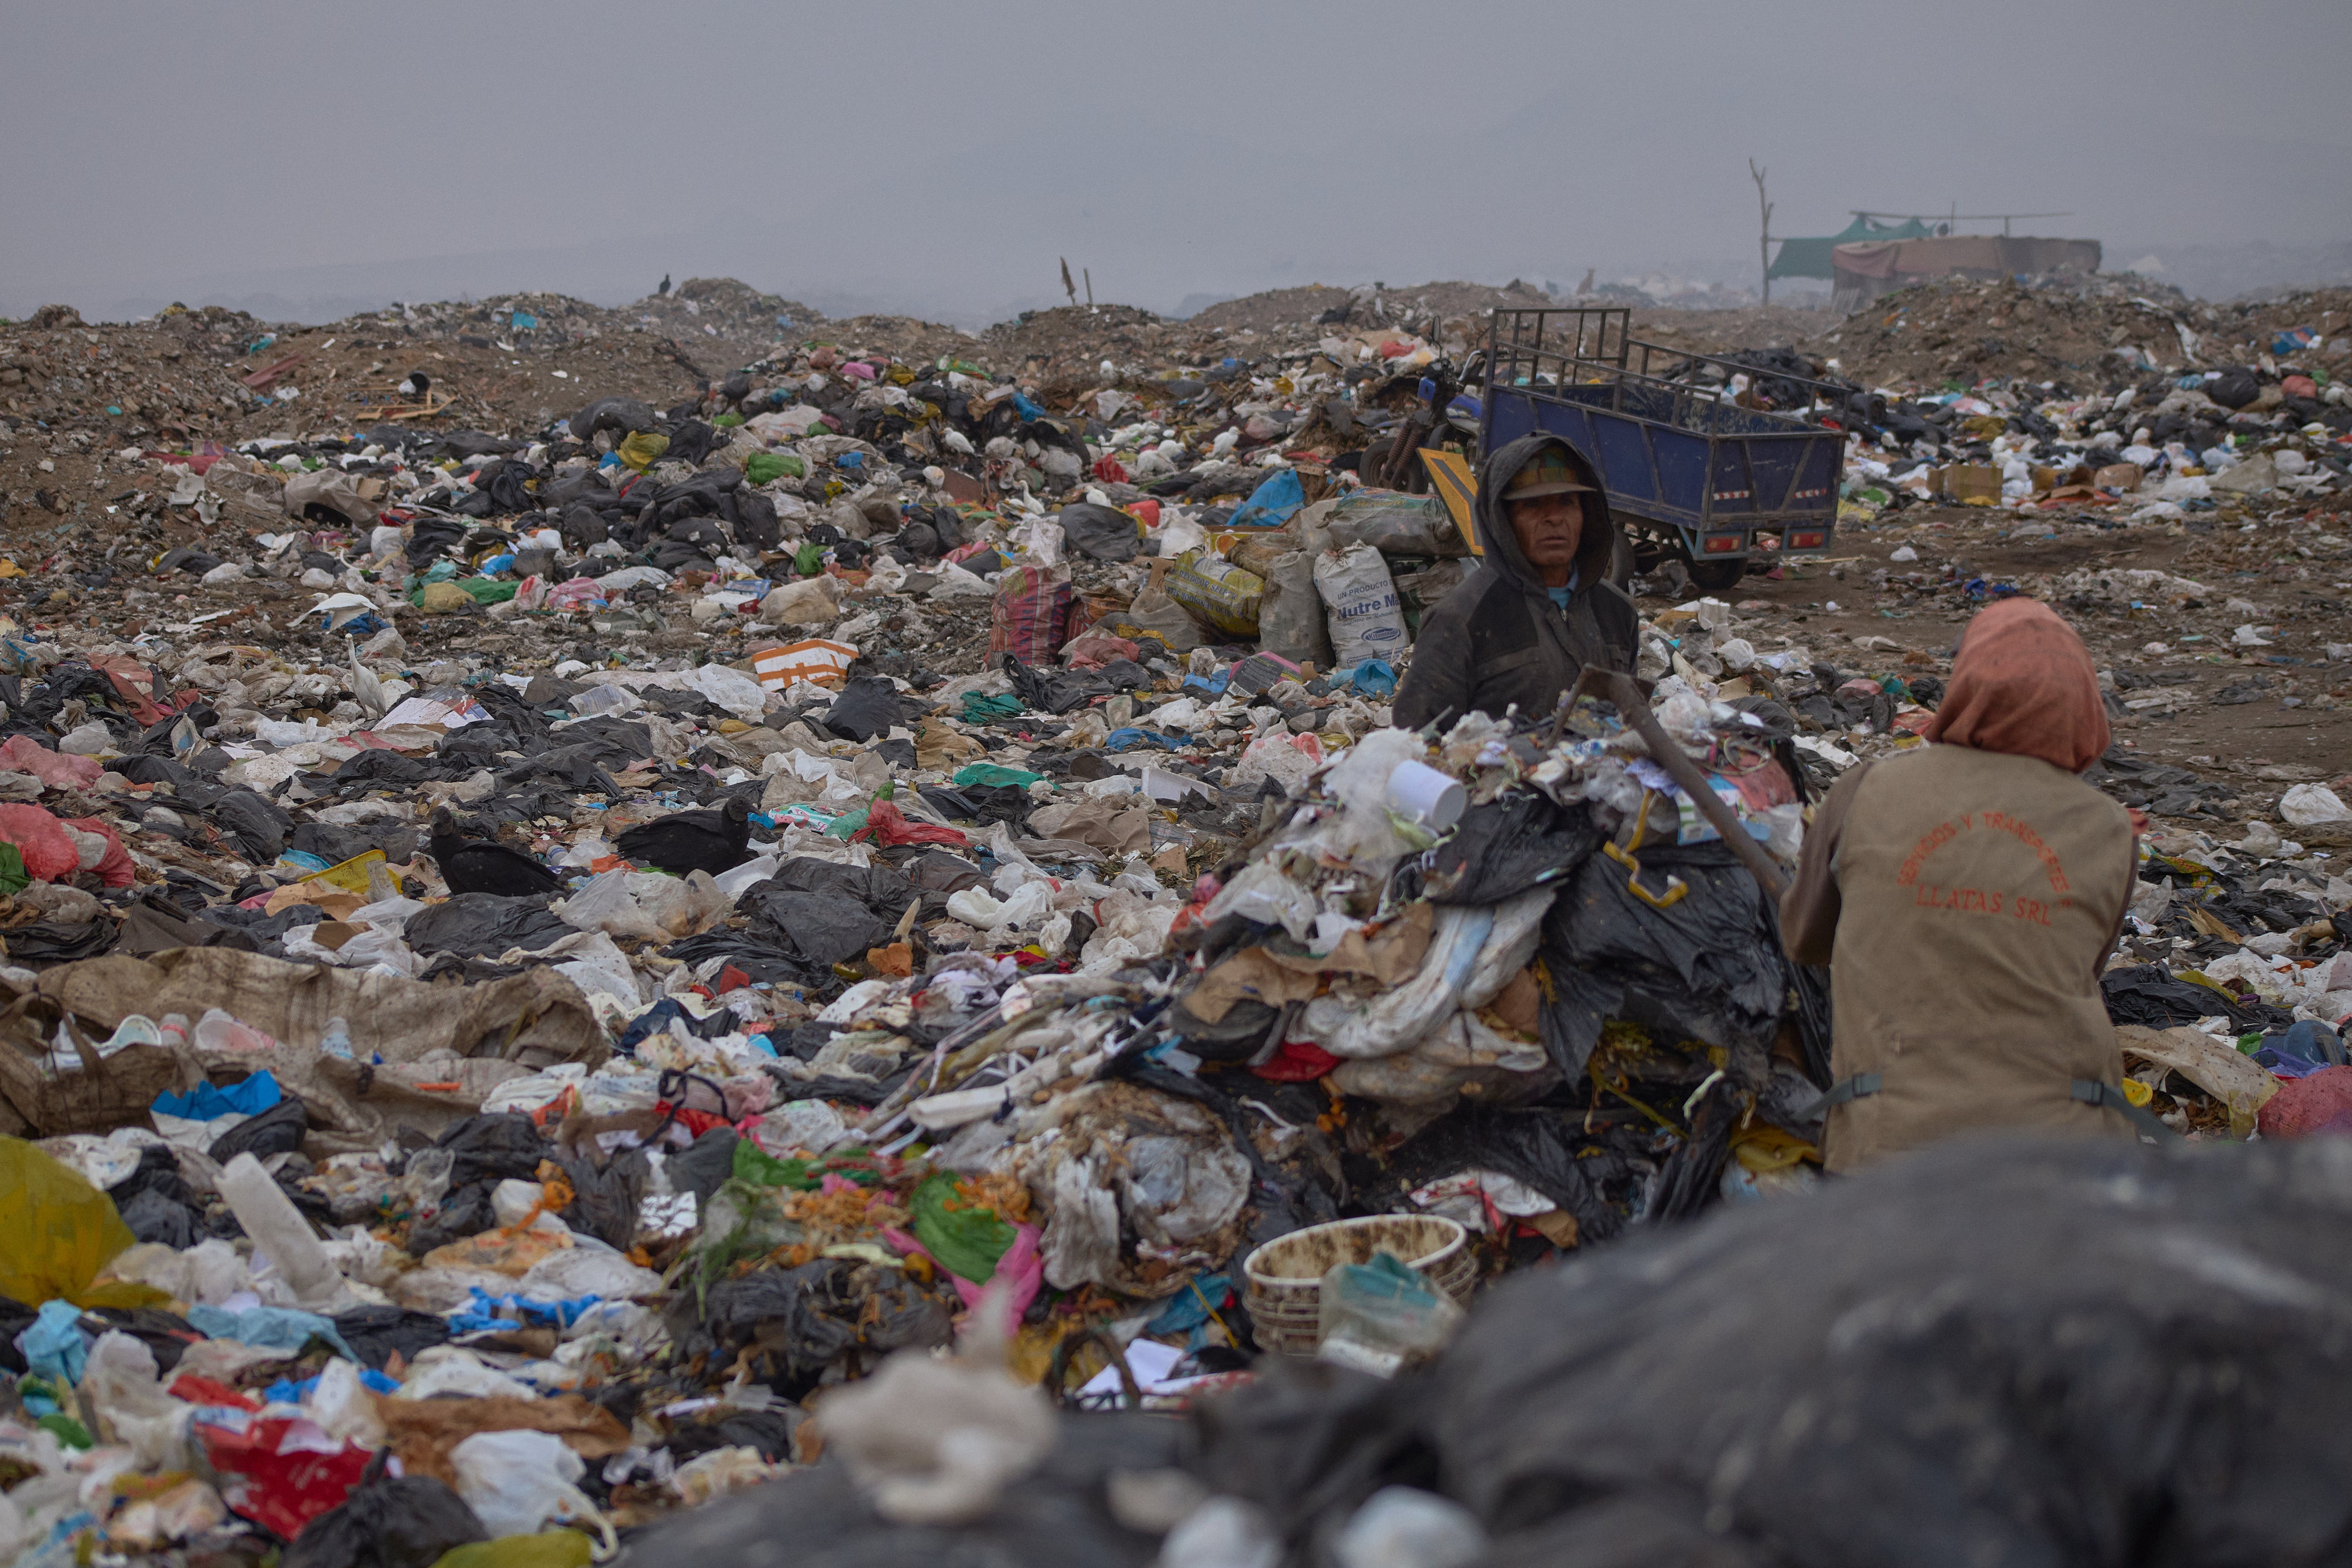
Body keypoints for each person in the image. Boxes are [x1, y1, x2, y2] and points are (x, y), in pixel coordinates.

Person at [1780, 598, 2146, 1171]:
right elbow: (2076, 966)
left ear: (1965, 687)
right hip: (2067, 1156)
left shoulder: (1864, 792)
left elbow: (1803, 941)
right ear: (2082, 709)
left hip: (1892, 1147)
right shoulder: (2109, 831)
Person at [1392, 432, 1636, 732]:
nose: (1554, 519)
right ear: (1503, 521)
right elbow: (1415, 745)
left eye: (1567, 503)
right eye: (1533, 505)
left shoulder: (1618, 613)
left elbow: (1630, 723)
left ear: (1587, 514)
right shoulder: (1459, 621)